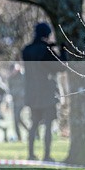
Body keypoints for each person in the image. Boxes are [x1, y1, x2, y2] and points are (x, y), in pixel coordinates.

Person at [22, 22, 66, 162]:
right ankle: (46, 155)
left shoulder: (26, 50)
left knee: (33, 124)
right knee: (48, 124)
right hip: (47, 92)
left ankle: (30, 154)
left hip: (32, 92)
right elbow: (60, 66)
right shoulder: (46, 51)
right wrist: (63, 50)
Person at [7, 63, 27, 141]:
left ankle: (31, 131)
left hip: (23, 100)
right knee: (16, 119)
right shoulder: (10, 78)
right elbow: (9, 89)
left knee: (19, 117)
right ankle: (19, 137)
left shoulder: (23, 76)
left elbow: (26, 86)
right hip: (15, 101)